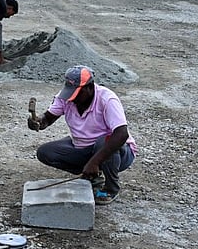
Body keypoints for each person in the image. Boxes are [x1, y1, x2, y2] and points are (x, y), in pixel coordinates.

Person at [27, 66, 137, 204]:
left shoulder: (107, 99)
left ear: (90, 87)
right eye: (70, 93)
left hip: (118, 153)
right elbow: (48, 118)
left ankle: (110, 188)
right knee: (45, 152)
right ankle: (93, 176)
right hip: (84, 147)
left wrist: (94, 162)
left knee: (105, 141)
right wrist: (38, 122)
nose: (72, 99)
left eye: (77, 94)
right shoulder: (66, 97)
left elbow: (121, 135)